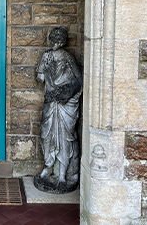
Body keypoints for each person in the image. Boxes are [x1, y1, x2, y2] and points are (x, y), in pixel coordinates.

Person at [35, 26, 82, 192]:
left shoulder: (68, 58)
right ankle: (48, 167)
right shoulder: (46, 56)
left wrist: (66, 92)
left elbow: (79, 81)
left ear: (62, 41)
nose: (55, 43)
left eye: (58, 40)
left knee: (64, 138)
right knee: (47, 135)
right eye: (53, 39)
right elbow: (40, 78)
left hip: (64, 105)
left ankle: (62, 175)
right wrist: (45, 68)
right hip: (50, 102)